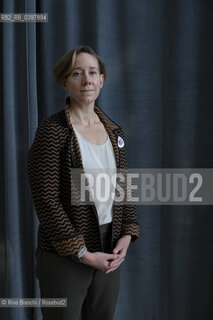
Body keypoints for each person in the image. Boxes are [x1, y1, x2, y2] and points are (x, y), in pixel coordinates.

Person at [27, 45, 139, 320]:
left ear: (101, 80)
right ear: (65, 82)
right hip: (64, 254)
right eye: (77, 73)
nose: (86, 80)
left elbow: (123, 188)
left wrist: (126, 234)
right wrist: (83, 254)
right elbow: (46, 201)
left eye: (92, 73)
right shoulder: (51, 132)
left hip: (109, 248)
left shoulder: (114, 131)